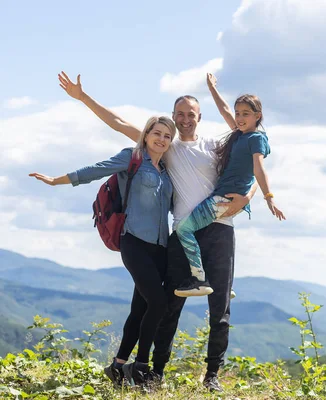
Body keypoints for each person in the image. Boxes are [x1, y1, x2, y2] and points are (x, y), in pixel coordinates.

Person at [57, 71, 254, 392]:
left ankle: (212, 377)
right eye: (180, 115)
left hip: (220, 230)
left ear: (200, 117)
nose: (186, 119)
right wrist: (83, 98)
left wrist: (249, 196)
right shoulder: (168, 146)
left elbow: (251, 166)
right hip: (182, 234)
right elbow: (119, 123)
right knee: (169, 306)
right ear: (174, 118)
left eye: (191, 114)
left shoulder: (217, 147)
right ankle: (154, 372)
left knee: (219, 309)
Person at [29, 115, 176, 387]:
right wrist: (55, 180)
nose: (162, 139)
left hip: (160, 248)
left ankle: (118, 366)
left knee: (140, 308)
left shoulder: (167, 169)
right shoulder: (131, 158)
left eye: (168, 136)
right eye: (157, 133)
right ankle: (140, 367)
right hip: (133, 242)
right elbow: (96, 169)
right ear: (146, 135)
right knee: (158, 303)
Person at [174, 73, 285, 297]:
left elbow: (259, 168)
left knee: (183, 229)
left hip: (224, 198)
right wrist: (212, 89)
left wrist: (269, 196)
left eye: (246, 114)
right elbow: (224, 110)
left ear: (258, 116)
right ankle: (223, 283)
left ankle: (199, 279)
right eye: (238, 113)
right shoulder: (240, 134)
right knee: (203, 232)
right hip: (223, 196)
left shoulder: (255, 138)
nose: (240, 118)